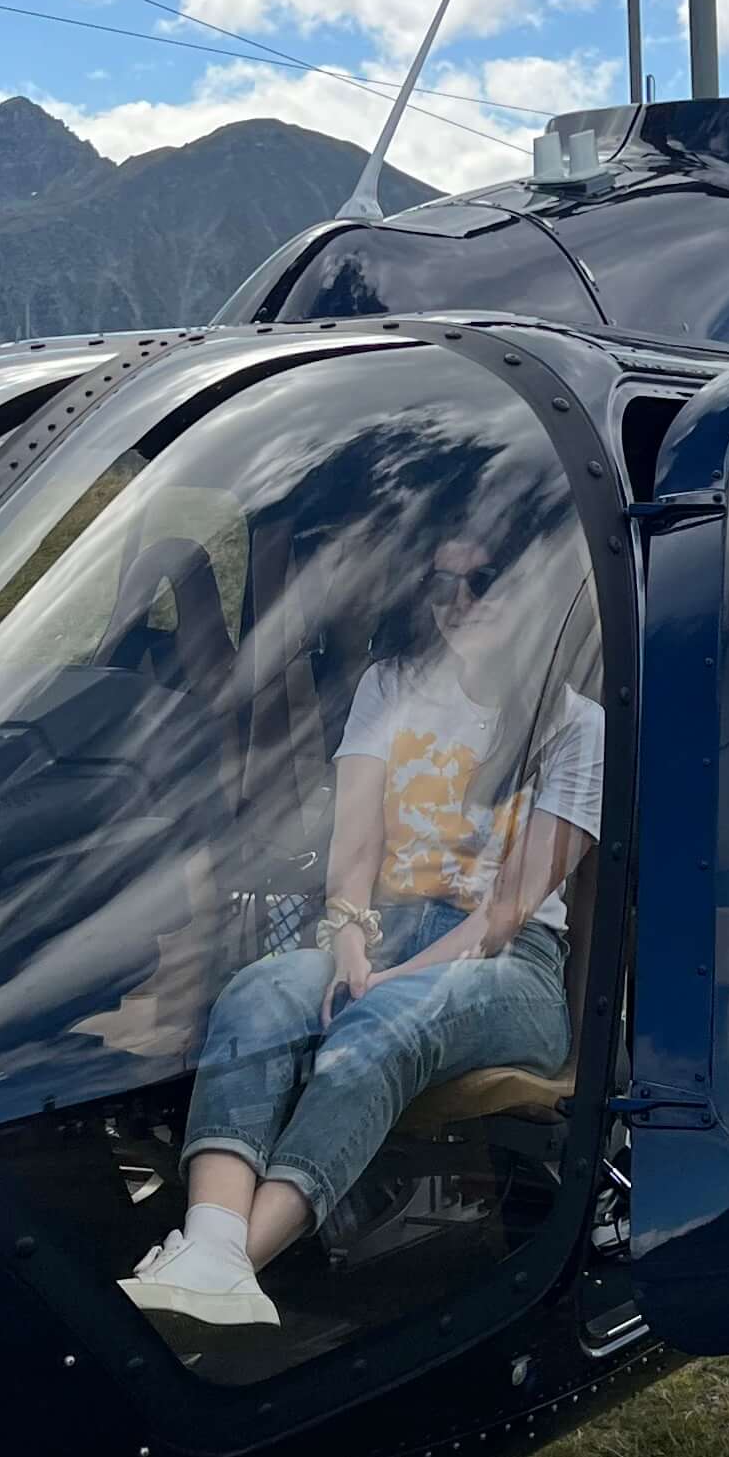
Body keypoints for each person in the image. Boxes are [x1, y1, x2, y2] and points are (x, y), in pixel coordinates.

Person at [119, 510, 603, 1328]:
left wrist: (390, 978)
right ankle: (211, 1252)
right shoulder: (391, 686)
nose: (458, 600)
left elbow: (505, 911)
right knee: (259, 993)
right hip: (384, 929)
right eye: (441, 583)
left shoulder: (573, 725)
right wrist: (348, 935)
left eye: (480, 581)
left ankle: (232, 1266)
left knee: (378, 1026)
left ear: (526, 594)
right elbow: (356, 846)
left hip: (514, 963)